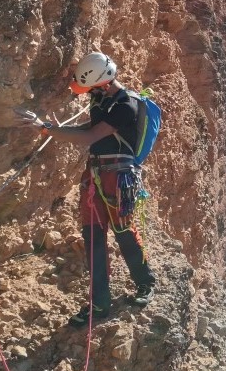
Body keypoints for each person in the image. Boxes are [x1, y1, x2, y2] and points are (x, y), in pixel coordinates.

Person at [16, 51, 156, 327]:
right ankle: (99, 303)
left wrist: (46, 129)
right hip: (96, 176)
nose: (86, 93)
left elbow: (91, 136)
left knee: (124, 231)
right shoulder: (102, 99)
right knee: (93, 237)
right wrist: (55, 128)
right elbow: (93, 127)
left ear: (102, 82)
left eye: (89, 87)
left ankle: (145, 283)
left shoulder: (126, 105)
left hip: (118, 177)